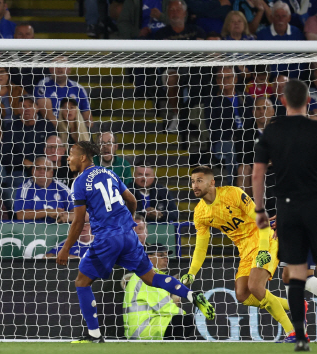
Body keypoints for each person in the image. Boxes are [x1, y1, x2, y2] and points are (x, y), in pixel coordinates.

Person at [58, 141, 214, 343]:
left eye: (70, 154)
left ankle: (94, 335)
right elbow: (132, 200)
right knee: (151, 277)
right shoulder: (110, 173)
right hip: (128, 235)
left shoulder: (79, 182)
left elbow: (78, 220)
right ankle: (192, 296)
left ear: (83, 157)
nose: (68, 158)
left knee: (82, 281)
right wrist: (128, 222)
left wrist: (65, 249)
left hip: (107, 238)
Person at [253, 79, 317, 350]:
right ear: (308, 101)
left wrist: (260, 210)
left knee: (293, 274)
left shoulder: (271, 134)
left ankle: (300, 338)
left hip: (287, 208)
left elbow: (257, 174)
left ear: (282, 102)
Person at [183, 166, 296, 341]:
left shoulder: (233, 193)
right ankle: (295, 306)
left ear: (212, 182)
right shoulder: (200, 213)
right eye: (192, 181)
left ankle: (293, 332)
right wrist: (191, 272)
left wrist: (264, 250)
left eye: (199, 180)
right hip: (244, 250)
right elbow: (201, 247)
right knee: (242, 295)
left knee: (256, 287)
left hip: (263, 240)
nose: (194, 185)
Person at [123, 244, 196, 340]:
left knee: (182, 322)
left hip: (142, 327)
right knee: (184, 321)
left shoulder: (144, 276)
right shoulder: (147, 278)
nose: (166, 259)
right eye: (161, 255)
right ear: (149, 258)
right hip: (143, 330)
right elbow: (165, 307)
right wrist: (183, 314)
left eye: (167, 256)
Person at [13, 156, 72, 223]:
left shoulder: (63, 188)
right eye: (38, 168)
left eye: (46, 169)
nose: (42, 171)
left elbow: (79, 213)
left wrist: (67, 217)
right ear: (33, 171)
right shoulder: (24, 188)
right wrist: (48, 211)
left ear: (52, 173)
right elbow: (21, 215)